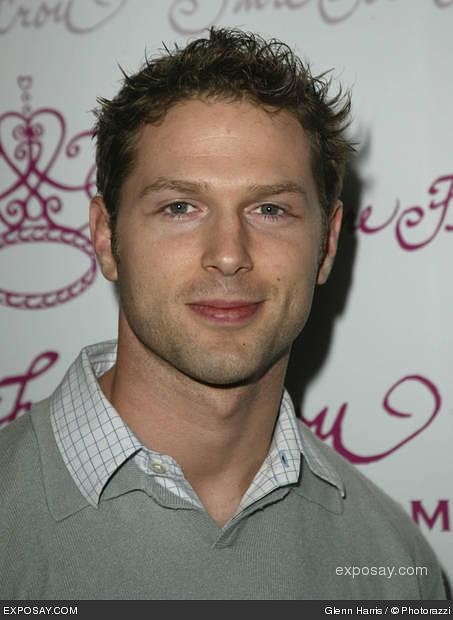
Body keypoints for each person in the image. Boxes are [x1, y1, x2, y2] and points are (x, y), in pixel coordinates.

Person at [0, 27, 447, 600]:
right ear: (107, 238)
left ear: (327, 244)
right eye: (180, 207)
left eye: (270, 209)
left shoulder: (391, 563)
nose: (230, 254)